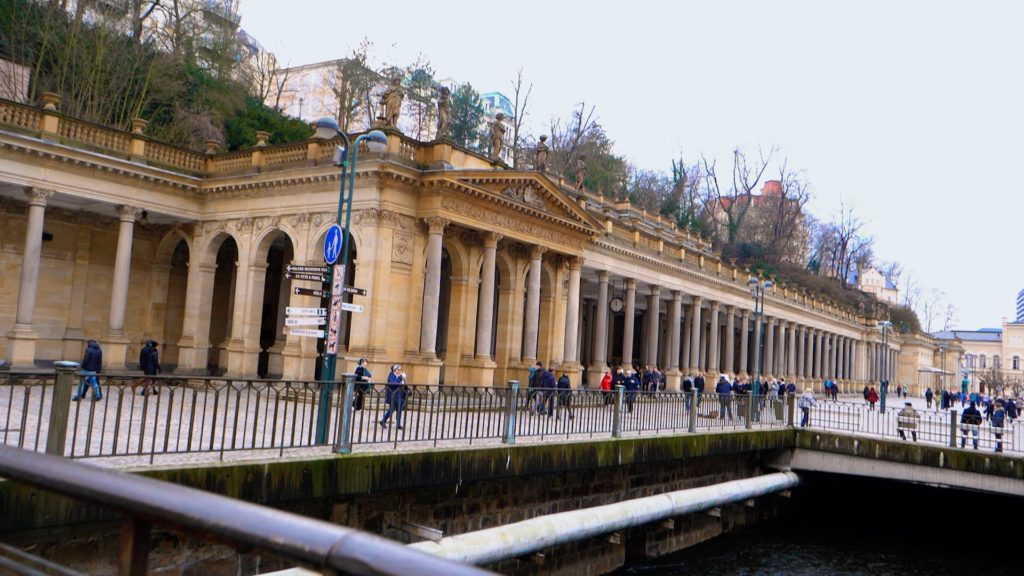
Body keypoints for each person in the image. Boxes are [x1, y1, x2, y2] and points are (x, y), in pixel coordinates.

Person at [379, 365, 407, 429]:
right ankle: (383, 421)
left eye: (401, 369)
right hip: (393, 396)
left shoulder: (400, 376)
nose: (400, 371)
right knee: (391, 410)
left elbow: (403, 384)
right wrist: (400, 378)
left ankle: (398, 424)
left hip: (400, 396)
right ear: (395, 370)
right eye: (398, 370)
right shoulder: (391, 375)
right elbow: (393, 384)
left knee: (399, 410)